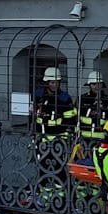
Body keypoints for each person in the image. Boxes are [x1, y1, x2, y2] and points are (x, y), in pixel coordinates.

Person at [33, 67, 77, 202]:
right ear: (47, 82)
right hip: (43, 138)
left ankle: (61, 196)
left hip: (59, 139)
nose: (54, 84)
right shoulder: (38, 95)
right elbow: (33, 115)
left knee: (59, 168)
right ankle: (45, 195)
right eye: (52, 82)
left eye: (57, 82)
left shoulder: (64, 98)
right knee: (43, 167)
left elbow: (71, 119)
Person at [77, 71, 108, 142]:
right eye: (94, 84)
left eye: (99, 84)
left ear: (102, 85)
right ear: (89, 85)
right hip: (85, 139)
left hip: (104, 138)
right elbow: (76, 116)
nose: (96, 87)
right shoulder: (82, 99)